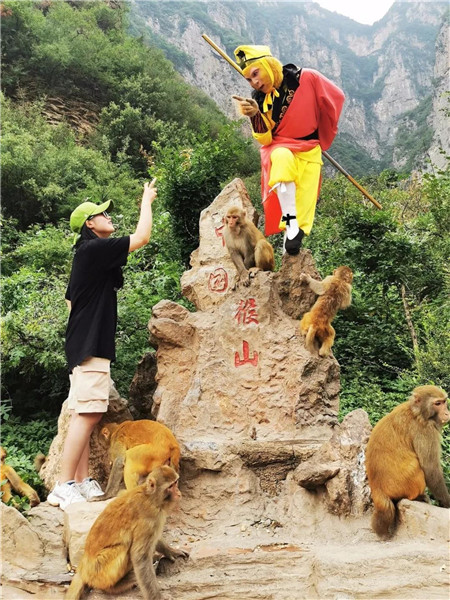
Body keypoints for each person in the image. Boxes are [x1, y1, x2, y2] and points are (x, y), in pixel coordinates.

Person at [47, 180, 157, 509]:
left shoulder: (88, 256)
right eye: (102, 214)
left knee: (85, 413)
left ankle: (80, 482)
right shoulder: (93, 249)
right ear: (90, 224)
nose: (108, 217)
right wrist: (146, 200)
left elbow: (70, 301)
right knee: (89, 413)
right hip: (90, 344)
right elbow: (142, 238)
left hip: (83, 343)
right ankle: (63, 485)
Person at [232, 45, 345, 255]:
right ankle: (291, 223)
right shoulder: (260, 99)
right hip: (280, 147)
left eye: (255, 73)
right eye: (248, 79)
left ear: (268, 64)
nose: (254, 82)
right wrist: (255, 116)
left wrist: (321, 126)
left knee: (302, 204)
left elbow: (336, 97)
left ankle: (289, 250)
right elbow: (265, 139)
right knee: (282, 161)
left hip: (309, 149)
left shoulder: (306, 78)